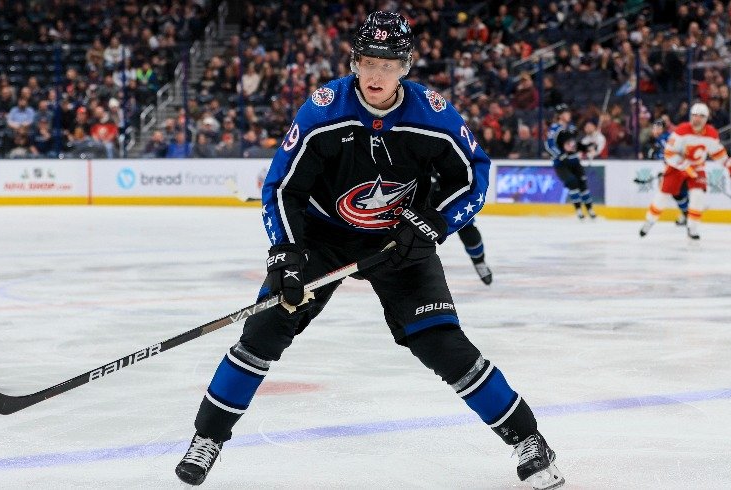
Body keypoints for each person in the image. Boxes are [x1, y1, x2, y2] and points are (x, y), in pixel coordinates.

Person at [175, 12, 563, 490]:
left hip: (401, 237)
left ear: (407, 66)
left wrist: (432, 224)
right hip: (322, 236)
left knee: (442, 344)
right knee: (263, 331)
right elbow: (281, 187)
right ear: (354, 61)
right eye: (368, 61)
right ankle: (207, 438)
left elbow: (475, 179)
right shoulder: (322, 111)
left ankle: (528, 439)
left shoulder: (434, 116)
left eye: (389, 63)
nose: (376, 74)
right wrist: (288, 252)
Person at [639, 103, 731, 240]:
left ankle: (692, 228)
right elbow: (669, 153)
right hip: (676, 167)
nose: (696, 119)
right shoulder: (681, 131)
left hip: (697, 168)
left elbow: (718, 153)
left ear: (706, 119)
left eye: (701, 116)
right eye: (694, 115)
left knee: (698, 196)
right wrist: (684, 166)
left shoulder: (711, 133)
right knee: (663, 196)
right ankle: (649, 222)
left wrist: (730, 166)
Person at [545, 104, 596, 219]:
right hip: (562, 164)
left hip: (574, 161)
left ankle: (590, 210)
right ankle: (578, 210)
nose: (569, 115)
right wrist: (560, 155)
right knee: (573, 183)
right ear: (560, 115)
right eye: (566, 113)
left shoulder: (571, 128)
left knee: (582, 183)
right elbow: (549, 145)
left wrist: (587, 148)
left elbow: (574, 145)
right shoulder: (555, 129)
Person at [643, 119, 690, 226]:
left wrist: (656, 155)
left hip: (679, 169)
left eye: (658, 128)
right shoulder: (663, 138)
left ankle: (688, 215)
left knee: (678, 194)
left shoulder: (664, 138)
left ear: (662, 129)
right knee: (678, 194)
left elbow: (669, 155)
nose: (655, 130)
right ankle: (686, 214)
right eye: (654, 128)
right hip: (678, 168)